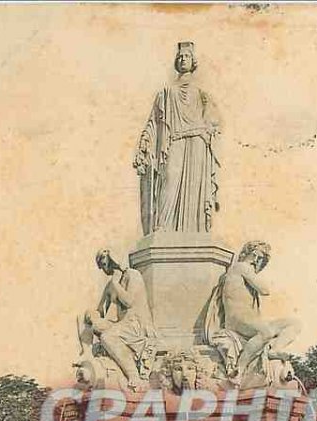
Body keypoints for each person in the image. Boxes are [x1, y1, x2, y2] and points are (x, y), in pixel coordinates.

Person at [133, 42, 220, 235]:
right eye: (180, 57)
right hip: (175, 141)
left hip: (197, 142)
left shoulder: (201, 94)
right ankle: (163, 225)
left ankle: (196, 230)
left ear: (193, 61)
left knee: (195, 187)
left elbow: (213, 122)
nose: (182, 59)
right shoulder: (165, 93)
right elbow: (153, 122)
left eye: (186, 56)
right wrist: (145, 142)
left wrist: (210, 129)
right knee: (169, 180)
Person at [204, 241, 300, 384]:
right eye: (263, 258)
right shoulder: (241, 267)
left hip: (251, 321)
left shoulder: (240, 270)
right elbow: (265, 290)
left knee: (294, 324)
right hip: (238, 320)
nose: (262, 263)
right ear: (255, 255)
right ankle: (239, 369)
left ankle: (274, 350)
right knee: (266, 332)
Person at [79, 250, 156, 391]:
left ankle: (134, 376)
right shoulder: (111, 285)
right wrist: (91, 315)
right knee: (86, 321)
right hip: (121, 325)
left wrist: (115, 283)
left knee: (108, 336)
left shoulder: (133, 275)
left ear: (113, 260)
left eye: (104, 264)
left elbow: (128, 301)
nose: (104, 269)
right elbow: (100, 310)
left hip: (135, 325)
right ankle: (86, 355)